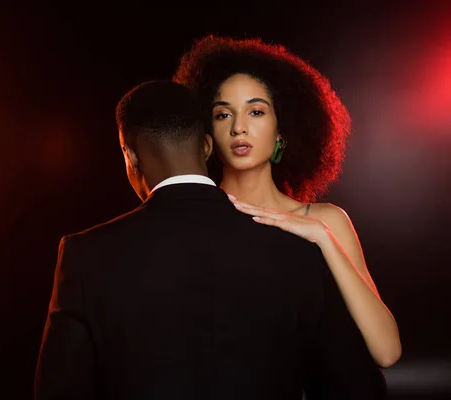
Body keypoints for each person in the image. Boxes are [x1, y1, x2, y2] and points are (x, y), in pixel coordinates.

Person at [34, 80, 386, 399]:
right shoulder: (298, 247)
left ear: (130, 158)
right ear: (206, 147)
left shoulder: (85, 256)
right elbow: (356, 390)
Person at [172, 34, 401, 368]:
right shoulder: (189, 218)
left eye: (256, 112)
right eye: (223, 115)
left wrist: (321, 237)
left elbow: (387, 352)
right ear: (205, 132)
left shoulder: (325, 220)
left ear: (282, 128)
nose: (239, 128)